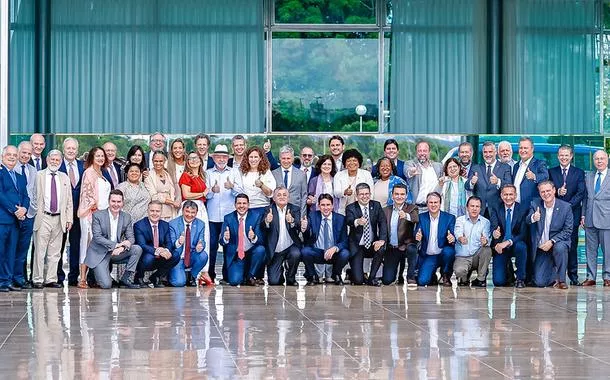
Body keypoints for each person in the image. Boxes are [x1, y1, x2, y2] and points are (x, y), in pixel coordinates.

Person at [84, 189, 142, 289]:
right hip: (100, 253)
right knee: (106, 285)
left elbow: (131, 238)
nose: (116, 204)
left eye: (119, 202)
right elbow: (97, 237)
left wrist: (122, 248)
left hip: (116, 252)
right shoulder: (98, 215)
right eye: (113, 201)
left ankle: (126, 278)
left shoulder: (126, 217)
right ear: (109, 201)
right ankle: (93, 272)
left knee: (137, 249)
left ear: (123, 203)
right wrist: (116, 245)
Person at [31, 151, 73, 288]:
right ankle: (37, 279)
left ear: (61, 161)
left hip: (59, 218)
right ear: (47, 159)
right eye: (52, 159)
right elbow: (33, 196)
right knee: (40, 251)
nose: (54, 161)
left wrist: (69, 219)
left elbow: (69, 201)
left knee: (55, 252)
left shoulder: (65, 177)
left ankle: (51, 279)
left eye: (57, 159)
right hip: (43, 217)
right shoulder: (39, 175)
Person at [548, 145, 585, 286]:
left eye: (566, 155)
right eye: (561, 155)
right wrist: (557, 191)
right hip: (554, 216)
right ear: (558, 156)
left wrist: (567, 206)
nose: (563, 158)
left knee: (572, 246)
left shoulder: (579, 172)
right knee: (556, 245)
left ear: (571, 156)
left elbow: (581, 193)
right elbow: (547, 191)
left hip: (572, 214)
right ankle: (556, 276)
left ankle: (573, 276)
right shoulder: (551, 172)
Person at [206, 144, 243, 282]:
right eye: (218, 157)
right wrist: (212, 191)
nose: (221, 159)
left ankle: (227, 275)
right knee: (212, 246)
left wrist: (232, 187)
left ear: (228, 158)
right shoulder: (208, 173)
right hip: (212, 215)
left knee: (229, 245)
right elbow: (206, 195)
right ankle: (210, 274)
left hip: (229, 215)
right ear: (214, 158)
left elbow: (241, 193)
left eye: (224, 157)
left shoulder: (234, 172)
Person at [526, 181, 573, 289]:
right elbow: (527, 219)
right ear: (539, 193)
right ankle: (553, 271)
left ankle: (561, 280)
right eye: (543, 191)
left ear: (554, 190)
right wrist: (533, 217)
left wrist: (552, 241)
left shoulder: (566, 207)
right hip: (542, 248)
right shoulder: (535, 204)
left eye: (548, 191)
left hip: (556, 244)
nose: (546, 194)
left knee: (560, 248)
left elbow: (568, 230)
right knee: (540, 283)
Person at [77, 146, 112, 289]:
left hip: (102, 215)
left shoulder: (102, 173)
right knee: (87, 245)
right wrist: (94, 211)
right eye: (97, 156)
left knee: (98, 247)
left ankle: (96, 278)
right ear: (91, 157)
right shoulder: (89, 172)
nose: (100, 158)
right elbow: (87, 194)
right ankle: (82, 278)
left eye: (102, 156)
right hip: (91, 215)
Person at [301, 193, 350, 286]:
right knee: (305, 251)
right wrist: (304, 228)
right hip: (318, 252)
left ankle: (336, 275)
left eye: (328, 205)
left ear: (332, 206)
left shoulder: (340, 219)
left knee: (345, 253)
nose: (325, 208)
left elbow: (345, 241)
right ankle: (312, 276)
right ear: (319, 206)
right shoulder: (312, 216)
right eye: (323, 205)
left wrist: (335, 248)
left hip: (333, 253)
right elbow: (307, 235)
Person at [345, 183, 387, 286]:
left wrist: (381, 240)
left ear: (370, 194)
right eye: (361, 194)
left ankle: (371, 278)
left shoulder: (376, 205)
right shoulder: (351, 207)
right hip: (357, 245)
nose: (365, 196)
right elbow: (349, 220)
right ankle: (352, 272)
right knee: (358, 281)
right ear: (357, 196)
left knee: (381, 248)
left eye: (367, 194)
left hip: (372, 243)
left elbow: (382, 223)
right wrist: (357, 221)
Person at [0, 145, 30, 292]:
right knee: (1, 251)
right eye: (8, 155)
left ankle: (7, 280)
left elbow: (26, 196)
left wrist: (24, 208)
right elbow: (1, 196)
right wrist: (15, 210)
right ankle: (1, 281)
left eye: (14, 155)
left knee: (11, 251)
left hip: (16, 221)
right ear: (2, 157)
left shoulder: (20, 176)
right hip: (3, 219)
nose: (12, 157)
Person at [220, 193, 266, 286]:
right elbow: (221, 242)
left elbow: (261, 240)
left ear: (248, 205)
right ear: (235, 205)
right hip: (236, 255)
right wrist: (225, 238)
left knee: (261, 249)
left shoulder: (256, 216)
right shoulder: (228, 218)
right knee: (235, 281)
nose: (241, 206)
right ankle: (243, 273)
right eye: (239, 203)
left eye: (244, 203)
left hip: (250, 253)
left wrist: (253, 237)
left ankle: (250, 276)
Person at [57, 137, 85, 286]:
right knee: (58, 246)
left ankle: (74, 276)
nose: (71, 151)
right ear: (63, 149)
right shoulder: (57, 165)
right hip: (60, 213)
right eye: (68, 148)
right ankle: (58, 277)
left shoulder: (83, 166)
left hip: (79, 214)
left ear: (77, 150)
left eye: (73, 148)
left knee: (76, 246)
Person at [261, 187, 302, 286]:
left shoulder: (295, 209)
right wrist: (267, 221)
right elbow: (262, 227)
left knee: (296, 254)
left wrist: (292, 221)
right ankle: (280, 271)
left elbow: (299, 226)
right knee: (274, 282)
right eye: (279, 195)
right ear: (274, 198)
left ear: (288, 197)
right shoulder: (268, 209)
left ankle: (290, 276)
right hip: (275, 250)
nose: (282, 197)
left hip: (290, 247)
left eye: (284, 195)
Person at [134, 201, 180, 287]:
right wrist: (158, 251)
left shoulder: (165, 225)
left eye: (157, 211)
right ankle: (139, 277)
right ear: (147, 211)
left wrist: (166, 250)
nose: (155, 213)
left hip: (160, 257)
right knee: (149, 257)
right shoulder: (139, 225)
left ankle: (156, 276)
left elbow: (169, 242)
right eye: (152, 211)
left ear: (161, 212)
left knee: (175, 255)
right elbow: (142, 245)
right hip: (145, 257)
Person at [306, 154, 338, 282]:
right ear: (320, 166)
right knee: (318, 242)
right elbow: (308, 197)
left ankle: (329, 275)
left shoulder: (335, 179)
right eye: (324, 164)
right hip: (317, 215)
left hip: (332, 215)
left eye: (329, 164)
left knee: (330, 241)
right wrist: (311, 200)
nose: (326, 166)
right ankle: (318, 274)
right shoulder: (314, 180)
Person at [489, 184, 528, 288]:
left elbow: (523, 234)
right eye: (505, 194)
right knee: (498, 282)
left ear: (515, 195)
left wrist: (508, 242)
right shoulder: (496, 208)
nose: (508, 197)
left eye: (511, 194)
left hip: (515, 242)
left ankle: (520, 278)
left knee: (521, 246)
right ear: (501, 196)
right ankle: (509, 275)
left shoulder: (522, 209)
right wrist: (494, 233)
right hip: (500, 245)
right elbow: (493, 226)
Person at [414, 192, 456, 287]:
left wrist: (452, 238)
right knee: (422, 281)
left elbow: (453, 236)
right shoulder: (421, 217)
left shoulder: (449, 218)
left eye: (436, 202)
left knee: (449, 252)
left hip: (443, 253)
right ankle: (432, 275)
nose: (433, 205)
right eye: (431, 202)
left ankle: (446, 274)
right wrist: (417, 237)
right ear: (427, 203)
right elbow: (417, 233)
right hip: (429, 256)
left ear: (440, 203)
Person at [582, 150, 610, 287]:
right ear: (593, 161)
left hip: (607, 220)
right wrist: (583, 215)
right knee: (590, 250)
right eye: (596, 159)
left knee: (608, 251)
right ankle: (591, 277)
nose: (599, 161)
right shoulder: (589, 176)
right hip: (589, 219)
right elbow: (586, 198)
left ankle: (607, 276)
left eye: (602, 158)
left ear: (607, 159)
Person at [383, 183, 418, 285]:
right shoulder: (385, 210)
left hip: (407, 245)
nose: (399, 197)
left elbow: (416, 218)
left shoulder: (412, 208)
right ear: (392, 195)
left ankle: (410, 276)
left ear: (406, 196)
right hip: (392, 248)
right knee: (387, 280)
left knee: (412, 249)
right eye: (396, 194)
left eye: (402, 194)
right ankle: (397, 272)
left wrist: (406, 216)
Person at [465, 141, 512, 218]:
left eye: (490, 152)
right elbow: (467, 186)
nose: (488, 155)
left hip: (497, 211)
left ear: (495, 152)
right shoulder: (476, 168)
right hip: (479, 211)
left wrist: (498, 182)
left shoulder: (506, 167)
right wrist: (471, 182)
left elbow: (509, 186)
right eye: (485, 152)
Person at [453, 196, 492, 287]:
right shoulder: (460, 220)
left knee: (487, 250)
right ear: (467, 207)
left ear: (480, 208)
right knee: (460, 271)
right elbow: (457, 232)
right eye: (472, 206)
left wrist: (485, 241)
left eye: (477, 206)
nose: (474, 209)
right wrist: (460, 238)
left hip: (476, 256)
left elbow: (486, 237)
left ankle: (480, 279)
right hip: (463, 256)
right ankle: (465, 276)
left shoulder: (485, 222)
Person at [168, 201, 210, 287]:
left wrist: (200, 246)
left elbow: (202, 240)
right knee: (179, 283)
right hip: (178, 258)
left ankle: (192, 276)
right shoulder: (173, 223)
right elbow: (170, 244)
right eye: (187, 211)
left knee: (203, 255)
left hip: (191, 256)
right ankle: (173, 275)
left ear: (196, 213)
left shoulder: (200, 224)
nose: (190, 215)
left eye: (193, 212)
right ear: (182, 211)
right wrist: (179, 242)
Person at [16, 141, 38, 287]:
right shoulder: (11, 168)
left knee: (23, 250)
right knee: (11, 248)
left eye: (29, 153)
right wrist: (18, 210)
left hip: (29, 214)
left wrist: (31, 210)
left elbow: (34, 192)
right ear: (18, 152)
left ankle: (20, 278)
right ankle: (9, 277)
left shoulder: (33, 170)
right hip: (14, 214)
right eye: (23, 152)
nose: (26, 155)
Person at [178, 151, 211, 251]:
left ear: (200, 161)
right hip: (189, 207)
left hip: (201, 208)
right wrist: (202, 194)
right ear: (187, 162)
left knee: (202, 235)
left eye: (196, 158)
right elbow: (186, 195)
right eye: (190, 158)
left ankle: (202, 262)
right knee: (189, 235)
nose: (193, 160)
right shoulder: (186, 175)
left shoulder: (202, 177)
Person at [404, 140, 443, 213]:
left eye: (425, 151)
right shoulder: (410, 164)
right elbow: (407, 172)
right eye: (420, 151)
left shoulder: (438, 166)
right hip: (415, 209)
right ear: (416, 152)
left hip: (433, 208)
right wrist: (412, 171)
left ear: (429, 152)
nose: (422, 153)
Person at [238, 146, 276, 219]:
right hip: (245, 209)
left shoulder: (266, 172)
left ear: (260, 158)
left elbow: (271, 193)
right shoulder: (241, 172)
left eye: (256, 157)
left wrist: (261, 185)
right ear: (247, 158)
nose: (253, 159)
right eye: (251, 157)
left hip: (262, 208)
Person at [333, 149, 374, 215]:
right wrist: (344, 192)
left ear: (359, 162)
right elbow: (336, 193)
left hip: (362, 211)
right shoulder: (339, 175)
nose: (352, 163)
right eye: (348, 161)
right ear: (345, 163)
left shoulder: (366, 174)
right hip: (344, 211)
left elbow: (371, 194)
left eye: (354, 160)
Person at [144, 151, 181, 221]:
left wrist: (176, 201)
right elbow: (154, 196)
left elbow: (173, 192)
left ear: (164, 161)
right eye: (156, 161)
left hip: (171, 212)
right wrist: (172, 202)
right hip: (157, 213)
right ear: (152, 161)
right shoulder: (148, 176)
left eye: (161, 161)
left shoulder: (168, 174)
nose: (158, 163)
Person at [272, 145, 308, 217]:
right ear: (279, 158)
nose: (286, 161)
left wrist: (302, 216)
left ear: (292, 159)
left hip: (296, 213)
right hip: (277, 213)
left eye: (288, 158)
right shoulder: (273, 174)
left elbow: (304, 197)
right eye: (283, 158)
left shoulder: (301, 174)